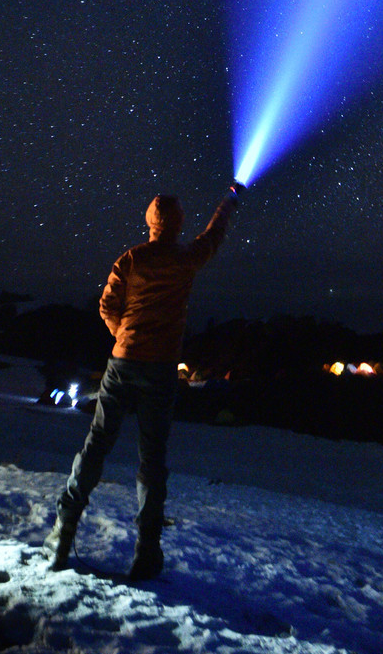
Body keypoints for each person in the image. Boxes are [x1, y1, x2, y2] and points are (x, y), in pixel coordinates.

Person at [44, 182, 242, 579]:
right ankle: (146, 554)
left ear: (150, 222)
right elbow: (214, 235)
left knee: (97, 444)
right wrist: (229, 200)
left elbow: (107, 305)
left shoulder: (131, 259)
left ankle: (62, 536)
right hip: (162, 367)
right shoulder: (187, 257)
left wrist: (122, 336)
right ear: (178, 223)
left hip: (122, 362)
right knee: (152, 459)